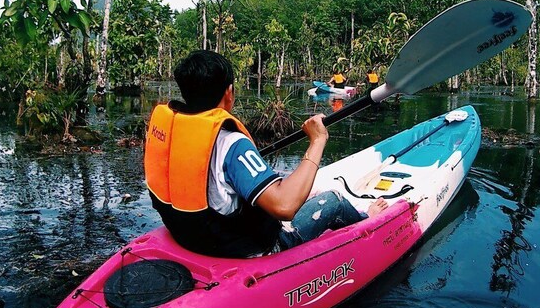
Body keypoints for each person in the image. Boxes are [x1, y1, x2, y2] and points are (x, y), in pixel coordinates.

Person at [144, 50, 387, 258]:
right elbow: (285, 206)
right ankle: (369, 219)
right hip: (243, 248)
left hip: (192, 237)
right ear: (229, 92)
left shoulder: (174, 131)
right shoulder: (230, 143)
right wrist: (317, 139)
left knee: (302, 189)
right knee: (332, 200)